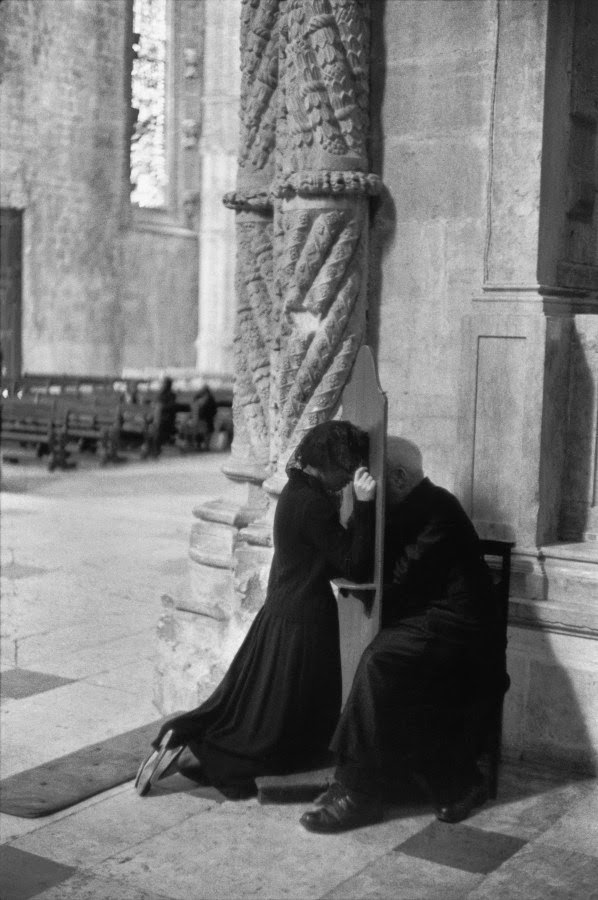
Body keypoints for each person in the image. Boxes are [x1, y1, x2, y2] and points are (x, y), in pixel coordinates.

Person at [135, 420, 377, 797]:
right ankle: (195, 753)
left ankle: (183, 740)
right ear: (326, 462)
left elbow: (323, 556)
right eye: (344, 469)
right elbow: (353, 566)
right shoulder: (314, 504)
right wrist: (364, 506)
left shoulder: (297, 491)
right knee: (274, 737)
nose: (347, 478)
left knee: (256, 712)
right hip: (304, 622)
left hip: (282, 612)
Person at [300, 437, 509, 833]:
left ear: (397, 477)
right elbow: (363, 562)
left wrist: (366, 524)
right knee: (370, 654)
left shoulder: (439, 510)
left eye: (372, 476)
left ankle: (360, 795)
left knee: (379, 660)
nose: (364, 484)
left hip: (462, 631)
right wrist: (362, 510)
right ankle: (354, 779)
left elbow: (394, 582)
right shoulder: (408, 506)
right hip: (430, 620)